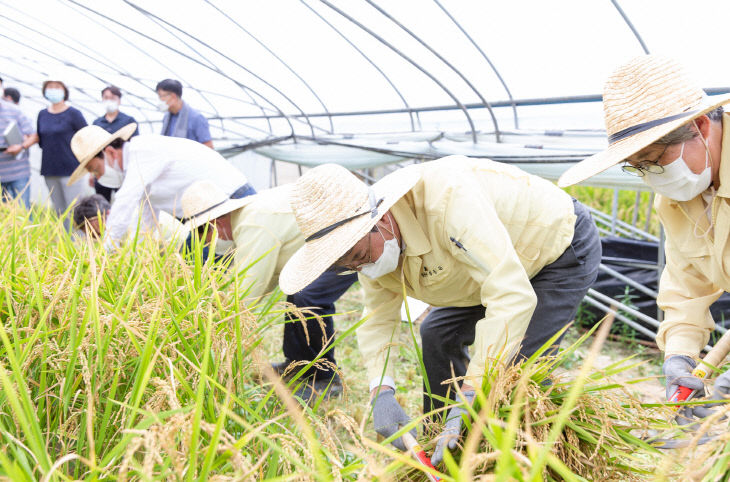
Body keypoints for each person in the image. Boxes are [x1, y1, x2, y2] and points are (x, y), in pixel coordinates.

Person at [278, 157, 601, 464]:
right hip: (484, 270)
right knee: (436, 333)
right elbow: (378, 318)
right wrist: (382, 390)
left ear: (382, 220)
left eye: (360, 254)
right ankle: (441, 446)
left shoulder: (449, 202)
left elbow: (510, 295)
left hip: (553, 248)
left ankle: (511, 462)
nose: (359, 267)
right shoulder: (365, 255)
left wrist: (474, 390)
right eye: (347, 265)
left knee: (512, 374)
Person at [557, 55, 730, 420]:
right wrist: (681, 356)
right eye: (638, 168)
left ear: (700, 126)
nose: (652, 176)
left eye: (653, 159)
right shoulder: (676, 203)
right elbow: (687, 286)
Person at [181, 180, 357, 399]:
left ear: (214, 224)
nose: (207, 243)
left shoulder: (253, 224)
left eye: (203, 235)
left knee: (308, 295)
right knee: (295, 285)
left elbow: (245, 294)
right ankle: (298, 365)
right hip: (321, 244)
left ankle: (325, 379)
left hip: (349, 241)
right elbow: (266, 276)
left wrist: (215, 335)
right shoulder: (246, 221)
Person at [67, 124, 253, 249]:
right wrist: (132, 255)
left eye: (95, 169)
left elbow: (125, 202)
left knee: (204, 272)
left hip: (231, 202)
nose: (97, 177)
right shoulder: (139, 172)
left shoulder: (142, 152)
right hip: (205, 218)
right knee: (192, 268)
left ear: (109, 152)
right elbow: (146, 219)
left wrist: (105, 252)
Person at [21, 77, 88, 215]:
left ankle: (77, 237)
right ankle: (62, 236)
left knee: (74, 209)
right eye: (50, 87)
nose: (53, 90)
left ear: (65, 91)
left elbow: (86, 137)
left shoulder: (73, 114)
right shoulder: (42, 114)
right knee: (59, 210)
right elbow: (40, 138)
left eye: (57, 87)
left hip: (71, 169)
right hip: (50, 169)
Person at [92, 85, 139, 202]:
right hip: (103, 169)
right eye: (106, 97)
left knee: (123, 201)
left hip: (122, 170)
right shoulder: (97, 123)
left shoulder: (128, 121)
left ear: (119, 100)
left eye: (112, 98)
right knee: (102, 203)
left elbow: (135, 145)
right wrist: (91, 174)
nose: (109, 100)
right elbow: (93, 150)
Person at [0, 91, 35, 208]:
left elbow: (34, 135)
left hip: (18, 173)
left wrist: (21, 147)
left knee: (23, 211)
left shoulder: (14, 110)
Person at [156, 79, 213, 148]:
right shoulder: (167, 117)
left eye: (162, 96)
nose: (160, 99)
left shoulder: (196, 118)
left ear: (173, 96)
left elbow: (209, 147)